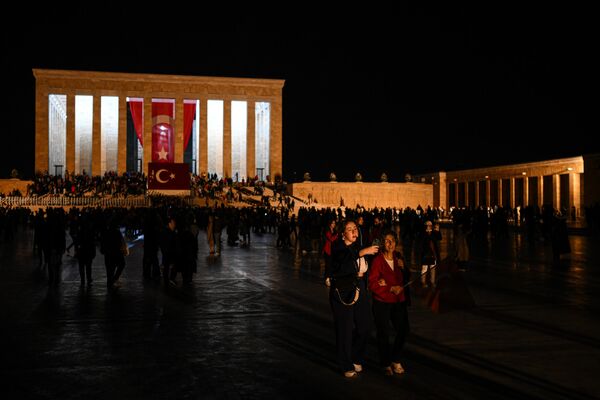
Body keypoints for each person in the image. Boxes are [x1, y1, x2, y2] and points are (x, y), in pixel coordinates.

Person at [329, 220, 379, 378]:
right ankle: (345, 364)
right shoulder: (338, 246)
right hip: (343, 290)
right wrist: (363, 252)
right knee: (345, 329)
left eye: (355, 228)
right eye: (349, 229)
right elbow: (344, 260)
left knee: (366, 324)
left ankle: (356, 356)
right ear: (343, 233)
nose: (353, 231)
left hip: (359, 287)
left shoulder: (358, 246)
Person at [368, 231, 411, 375]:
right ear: (382, 244)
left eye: (392, 240)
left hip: (398, 301)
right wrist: (390, 287)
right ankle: (385, 362)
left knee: (404, 330)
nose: (390, 243)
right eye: (387, 241)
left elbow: (406, 277)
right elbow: (373, 284)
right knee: (383, 333)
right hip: (382, 302)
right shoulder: (377, 261)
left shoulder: (398, 258)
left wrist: (403, 267)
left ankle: (396, 358)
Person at [419, 220, 441, 288]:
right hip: (425, 253)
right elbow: (422, 241)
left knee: (433, 268)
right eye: (427, 225)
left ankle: (432, 282)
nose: (429, 227)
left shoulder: (434, 233)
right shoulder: (423, 233)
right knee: (424, 268)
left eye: (430, 225)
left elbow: (439, 238)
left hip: (433, 253)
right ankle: (423, 282)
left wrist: (438, 231)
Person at [323, 219, 338, 286]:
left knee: (332, 265)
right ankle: (327, 278)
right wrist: (337, 235)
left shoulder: (334, 231)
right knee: (328, 265)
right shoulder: (327, 231)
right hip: (328, 250)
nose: (334, 225)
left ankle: (330, 277)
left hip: (333, 250)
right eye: (333, 223)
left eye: (334, 223)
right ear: (330, 224)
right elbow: (331, 239)